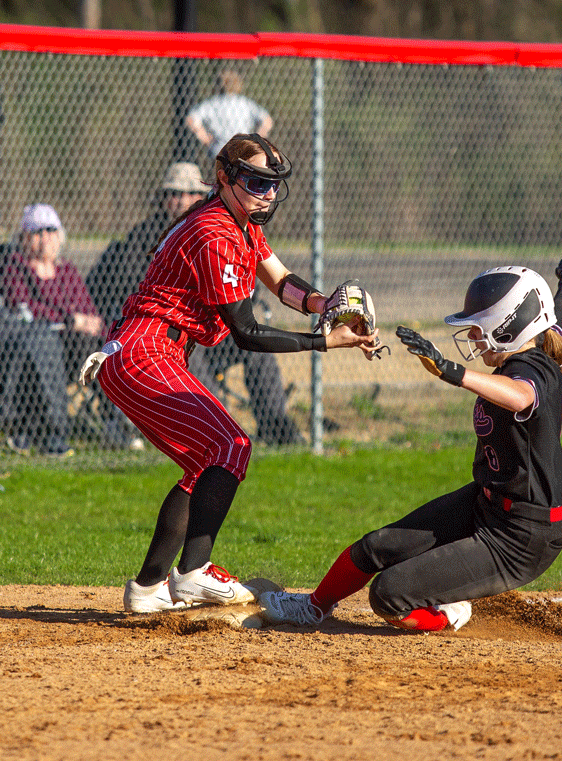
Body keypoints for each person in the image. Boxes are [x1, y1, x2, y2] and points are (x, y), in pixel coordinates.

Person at [90, 133, 380, 614]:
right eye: (254, 181)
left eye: (272, 185)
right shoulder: (215, 231)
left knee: (203, 464)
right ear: (224, 176)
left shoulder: (238, 222)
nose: (266, 193)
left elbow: (280, 279)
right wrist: (324, 340)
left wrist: (322, 304)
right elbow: (246, 332)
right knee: (231, 445)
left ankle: (147, 588)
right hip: (145, 349)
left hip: (152, 348)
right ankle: (193, 573)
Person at [259, 257, 562, 631]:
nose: (472, 337)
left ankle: (450, 611)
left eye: (479, 328)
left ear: (510, 326)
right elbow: (560, 316)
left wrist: (452, 372)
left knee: (389, 595)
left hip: (523, 537)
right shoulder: (535, 344)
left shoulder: (531, 372)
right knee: (376, 546)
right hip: (486, 503)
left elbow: (521, 396)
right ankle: (313, 607)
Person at [85, 161, 304, 446]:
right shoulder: (143, 239)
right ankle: (222, 433)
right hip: (169, 336)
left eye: (190, 193)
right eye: (174, 193)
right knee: (192, 351)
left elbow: (244, 279)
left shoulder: (220, 228)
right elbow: (132, 288)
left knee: (257, 350)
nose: (182, 200)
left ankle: (275, 424)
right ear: (164, 198)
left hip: (216, 328)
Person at [0, 204, 107, 456]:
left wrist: (83, 322)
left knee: (104, 348)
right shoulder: (15, 266)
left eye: (50, 230)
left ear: (60, 235)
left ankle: (116, 421)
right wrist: (71, 320)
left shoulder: (67, 270)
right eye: (36, 231)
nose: (44, 237)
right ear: (24, 238)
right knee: (40, 344)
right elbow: (23, 307)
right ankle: (49, 432)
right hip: (33, 346)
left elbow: (88, 311)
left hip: (72, 350)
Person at [186, 71, 273, 160]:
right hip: (242, 148)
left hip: (220, 149)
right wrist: (255, 140)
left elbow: (191, 119)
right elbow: (267, 120)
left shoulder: (212, 103)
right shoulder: (244, 103)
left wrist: (205, 138)